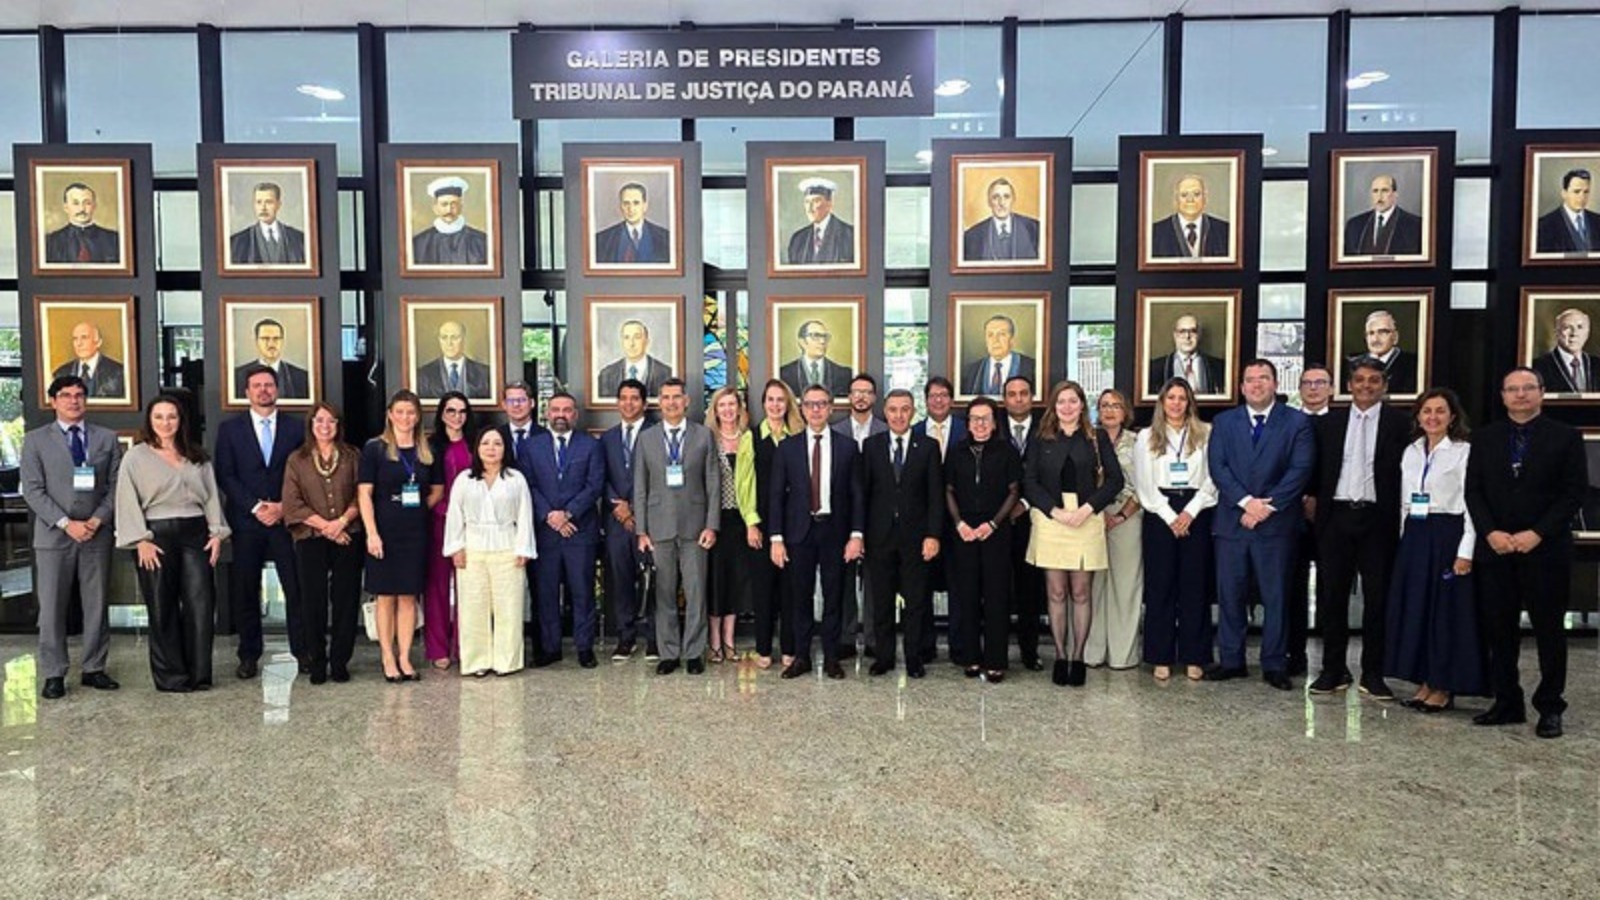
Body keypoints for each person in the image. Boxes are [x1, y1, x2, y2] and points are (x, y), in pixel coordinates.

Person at [1465, 368, 1587, 739]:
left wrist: (1537, 532)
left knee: (1549, 630)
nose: (1520, 395)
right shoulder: (1485, 438)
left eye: (1527, 388)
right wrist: (1491, 532)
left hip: (1544, 549)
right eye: (1512, 389)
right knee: (1499, 630)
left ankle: (1550, 706)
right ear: (1502, 396)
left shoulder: (1565, 437)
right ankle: (1507, 701)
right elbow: (1474, 491)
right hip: (1497, 549)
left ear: (1542, 393)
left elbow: (1573, 493)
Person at [1206, 360, 1315, 690]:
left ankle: (1274, 663)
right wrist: (1246, 503)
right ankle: (1231, 660)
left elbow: (1299, 471)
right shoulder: (1224, 422)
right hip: (1232, 523)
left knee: (1277, 596)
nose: (1256, 385)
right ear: (1241, 387)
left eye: (1263, 379)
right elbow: (1218, 467)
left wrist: (1264, 508)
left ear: (1275, 383)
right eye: (1250, 380)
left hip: (1276, 525)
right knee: (1230, 594)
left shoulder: (1297, 422)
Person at [1306, 359, 1411, 700]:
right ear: (1349, 385)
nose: (1366, 385)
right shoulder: (1330, 423)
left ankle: (1374, 673)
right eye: (1360, 380)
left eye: (1374, 380)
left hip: (1378, 519)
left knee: (1377, 599)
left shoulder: (1401, 423)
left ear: (1384, 384)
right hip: (1336, 517)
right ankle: (1333, 670)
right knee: (1331, 597)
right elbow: (1315, 466)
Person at [114, 395, 229, 692]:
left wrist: (216, 533)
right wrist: (140, 539)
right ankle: (171, 677)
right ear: (150, 421)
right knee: (162, 606)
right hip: (156, 535)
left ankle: (199, 674)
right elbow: (126, 500)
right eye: (159, 417)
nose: (166, 423)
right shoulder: (136, 457)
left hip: (196, 533)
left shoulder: (197, 455)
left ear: (181, 420)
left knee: (200, 605)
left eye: (172, 417)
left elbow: (212, 496)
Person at [21, 375, 123, 699]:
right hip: (54, 536)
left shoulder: (106, 438)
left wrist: (97, 519)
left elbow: (116, 486)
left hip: (96, 533)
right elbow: (33, 491)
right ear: (53, 401)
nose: (74, 401)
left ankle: (94, 667)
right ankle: (54, 673)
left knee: (96, 604)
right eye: (66, 395)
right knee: (51, 608)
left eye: (79, 395)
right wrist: (67, 523)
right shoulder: (36, 440)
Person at [1385, 388, 1487, 713]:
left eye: (1440, 411)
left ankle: (1443, 686)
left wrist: (1466, 550)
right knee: (1418, 607)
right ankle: (1423, 681)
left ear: (1452, 416)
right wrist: (1405, 540)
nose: (1432, 417)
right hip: (1416, 535)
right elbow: (1405, 500)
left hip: (1448, 533)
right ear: (1418, 416)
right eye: (1426, 411)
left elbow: (1472, 504)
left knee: (1445, 613)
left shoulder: (1463, 452)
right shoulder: (1412, 451)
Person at [1023, 380, 1125, 688]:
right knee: (1055, 593)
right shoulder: (1041, 437)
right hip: (1051, 517)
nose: (1067, 407)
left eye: (1073, 401)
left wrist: (1087, 509)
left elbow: (1115, 481)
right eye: (1061, 402)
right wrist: (1054, 511)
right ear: (1054, 407)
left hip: (1085, 517)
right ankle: (1060, 654)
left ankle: (1078, 657)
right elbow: (1029, 481)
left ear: (1082, 405)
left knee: (1081, 593)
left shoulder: (1096, 438)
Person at [214, 365, 305, 679]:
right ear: (247, 392)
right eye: (257, 386)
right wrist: (255, 507)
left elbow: (303, 475)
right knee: (245, 589)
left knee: (295, 588)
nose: (263, 390)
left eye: (269, 385)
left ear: (277, 389)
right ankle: (249, 655)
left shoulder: (297, 428)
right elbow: (225, 474)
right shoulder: (230, 430)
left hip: (287, 520)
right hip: (247, 522)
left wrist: (283, 506)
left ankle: (303, 652)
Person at [769, 384, 865, 680]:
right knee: (801, 597)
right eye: (810, 404)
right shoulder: (788, 447)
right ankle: (801, 657)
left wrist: (857, 534)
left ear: (831, 408)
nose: (816, 410)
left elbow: (857, 495)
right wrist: (776, 538)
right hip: (799, 533)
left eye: (822, 404)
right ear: (802, 407)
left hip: (835, 531)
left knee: (834, 596)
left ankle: (833, 656)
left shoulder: (848, 447)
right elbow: (776, 496)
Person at [1133, 377, 1218, 683]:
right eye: (1171, 397)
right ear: (1162, 402)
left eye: (1182, 398)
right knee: (1161, 586)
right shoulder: (1146, 437)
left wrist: (1190, 512)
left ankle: (1195, 656)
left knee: (1195, 586)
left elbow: (1213, 477)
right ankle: (1161, 656)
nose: (1176, 403)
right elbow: (1143, 483)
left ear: (1190, 402)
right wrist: (1171, 516)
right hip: (1160, 513)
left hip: (1197, 510)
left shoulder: (1206, 433)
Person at [633, 379, 720, 675]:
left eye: (676, 397)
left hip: (696, 527)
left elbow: (713, 483)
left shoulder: (704, 436)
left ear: (687, 401)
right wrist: (641, 530)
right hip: (659, 528)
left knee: (696, 592)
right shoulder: (646, 438)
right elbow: (640, 487)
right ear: (659, 402)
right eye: (666, 397)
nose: (671, 402)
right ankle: (668, 652)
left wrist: (712, 525)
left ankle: (695, 652)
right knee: (664, 593)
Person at [358, 391, 445, 684]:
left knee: (409, 596)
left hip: (415, 532)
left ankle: (405, 656)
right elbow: (364, 494)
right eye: (400, 412)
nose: (405, 418)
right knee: (386, 597)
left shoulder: (426, 449)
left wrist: (418, 509)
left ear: (418, 416)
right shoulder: (375, 449)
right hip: (383, 531)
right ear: (390, 414)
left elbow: (437, 490)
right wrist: (372, 533)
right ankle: (387, 656)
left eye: (411, 412)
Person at [860, 388, 943, 679]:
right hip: (879, 538)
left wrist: (933, 535)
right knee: (881, 602)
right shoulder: (871, 446)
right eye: (893, 409)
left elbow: (935, 496)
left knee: (916, 601)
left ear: (913, 412)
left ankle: (914, 656)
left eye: (904, 409)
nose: (898, 415)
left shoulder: (929, 446)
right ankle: (883, 657)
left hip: (916, 539)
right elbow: (863, 495)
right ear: (885, 412)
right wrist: (860, 535)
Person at [444, 428, 537, 677]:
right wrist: (455, 548)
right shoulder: (465, 479)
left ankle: (507, 661)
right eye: (485, 443)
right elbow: (454, 515)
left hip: (507, 549)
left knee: (509, 607)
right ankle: (476, 661)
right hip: (472, 550)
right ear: (477, 448)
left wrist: (523, 548)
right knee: (473, 608)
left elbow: (524, 515)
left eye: (497, 443)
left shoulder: (516, 478)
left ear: (505, 448)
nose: (491, 448)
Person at [281, 402, 362, 685]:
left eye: (331, 421)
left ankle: (340, 661)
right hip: (310, 538)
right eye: (319, 421)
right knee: (311, 601)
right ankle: (317, 660)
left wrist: (341, 522)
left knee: (345, 600)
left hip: (347, 536)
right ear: (311, 425)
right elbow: (292, 504)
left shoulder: (353, 456)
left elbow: (360, 496)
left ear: (338, 425)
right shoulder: (297, 459)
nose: (325, 426)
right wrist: (327, 527)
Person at [524, 392, 606, 668]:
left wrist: (568, 513)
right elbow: (528, 486)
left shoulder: (590, 445)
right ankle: (550, 648)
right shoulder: (531, 446)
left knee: (582, 591)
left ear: (575, 414)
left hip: (580, 531)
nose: (561, 414)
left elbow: (595, 485)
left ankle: (585, 648)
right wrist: (550, 516)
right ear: (547, 413)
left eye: (567, 410)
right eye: (555, 409)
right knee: (546, 592)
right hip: (545, 532)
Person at [944, 397, 1022, 682]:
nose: (980, 424)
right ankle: (970, 657)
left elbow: (1014, 491)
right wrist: (959, 524)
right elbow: (948, 489)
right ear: (967, 423)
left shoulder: (1007, 451)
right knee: (966, 595)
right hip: (963, 530)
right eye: (974, 418)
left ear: (994, 422)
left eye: (985, 418)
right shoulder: (956, 452)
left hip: (996, 530)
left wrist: (993, 523)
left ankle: (996, 660)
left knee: (996, 596)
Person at [745, 379, 801, 669]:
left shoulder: (799, 436)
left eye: (781, 400)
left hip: (795, 525)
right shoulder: (751, 437)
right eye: (771, 400)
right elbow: (745, 484)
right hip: (762, 523)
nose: (776, 405)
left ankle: (790, 649)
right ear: (763, 403)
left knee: (791, 590)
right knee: (763, 590)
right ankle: (764, 649)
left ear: (788, 403)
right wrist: (751, 523)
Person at [1086, 389, 1143, 670]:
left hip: (1128, 516)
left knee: (1125, 586)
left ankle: (1123, 655)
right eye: (1104, 405)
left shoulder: (1139, 441)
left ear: (1126, 411)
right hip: (1089, 519)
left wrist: (1120, 516)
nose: (1109, 410)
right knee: (1092, 587)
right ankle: (1091, 652)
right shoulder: (1088, 439)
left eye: (1116, 405)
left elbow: (1146, 484)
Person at [912, 376, 965, 663]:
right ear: (926, 399)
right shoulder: (915, 431)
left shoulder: (966, 429)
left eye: (944, 395)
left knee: (959, 586)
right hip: (924, 523)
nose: (939, 400)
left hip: (960, 521)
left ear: (952, 399)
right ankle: (925, 646)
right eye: (933, 396)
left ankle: (958, 646)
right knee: (921, 586)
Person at [832, 374, 886, 658]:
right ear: (849, 397)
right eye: (856, 392)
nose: (861, 397)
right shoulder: (835, 431)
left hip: (878, 515)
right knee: (844, 579)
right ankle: (846, 636)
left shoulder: (885, 430)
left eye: (867, 392)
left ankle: (874, 637)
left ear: (875, 398)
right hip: (843, 515)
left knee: (874, 580)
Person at [600, 379, 654, 661]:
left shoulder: (656, 433)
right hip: (616, 522)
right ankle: (625, 637)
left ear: (644, 403)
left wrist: (634, 507)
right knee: (621, 579)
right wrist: (618, 507)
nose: (629, 403)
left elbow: (658, 476)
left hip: (649, 520)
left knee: (654, 579)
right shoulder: (607, 438)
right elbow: (601, 476)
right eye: (624, 398)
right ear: (618, 402)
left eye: (635, 398)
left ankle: (655, 638)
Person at [1288, 364, 1335, 676]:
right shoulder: (1288, 421)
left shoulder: (1343, 422)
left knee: (1332, 589)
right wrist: (1301, 497)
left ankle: (1334, 662)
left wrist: (1319, 497)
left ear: (1331, 388)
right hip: (1292, 513)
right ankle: (1295, 655)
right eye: (1308, 383)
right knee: (1293, 588)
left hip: (1332, 516)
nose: (1314, 388)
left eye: (1321, 383)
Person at [705, 387, 758, 664]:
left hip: (741, 520)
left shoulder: (750, 439)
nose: (727, 410)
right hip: (714, 520)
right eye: (721, 405)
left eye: (731, 404)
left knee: (736, 581)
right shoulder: (707, 439)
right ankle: (713, 642)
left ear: (739, 408)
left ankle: (729, 641)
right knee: (715, 581)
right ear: (715, 410)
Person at [422, 393, 475, 670]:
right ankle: (438, 648)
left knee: (470, 587)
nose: (457, 416)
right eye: (451, 411)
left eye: (462, 411)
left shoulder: (476, 444)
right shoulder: (430, 446)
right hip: (439, 520)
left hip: (473, 524)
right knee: (437, 588)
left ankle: (466, 646)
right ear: (442, 414)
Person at [1002, 375, 1044, 671]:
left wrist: (1025, 503)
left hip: (1034, 520)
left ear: (1032, 397)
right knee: (997, 589)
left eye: (1023, 393)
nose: (1018, 399)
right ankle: (997, 650)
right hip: (997, 522)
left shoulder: (1047, 428)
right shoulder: (992, 425)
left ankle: (1030, 652)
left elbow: (1049, 474)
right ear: (1004, 399)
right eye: (1012, 394)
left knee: (1031, 588)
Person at [412, 176, 489, 265]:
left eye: (454, 204)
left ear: (461, 206)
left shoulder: (481, 240)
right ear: (435, 208)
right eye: (444, 204)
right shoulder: (419, 243)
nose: (449, 210)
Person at [1149, 174, 1230, 259]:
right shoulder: (1155, 233)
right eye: (1184, 195)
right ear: (1176, 200)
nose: (1190, 199)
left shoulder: (1225, 231)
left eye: (1196, 194)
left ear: (1205, 198)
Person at [962, 177, 1042, 262]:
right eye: (996, 197)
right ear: (989, 202)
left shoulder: (1034, 228)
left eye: (1006, 197)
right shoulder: (972, 236)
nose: (1001, 203)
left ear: (1013, 200)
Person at [1342, 174, 1423, 257]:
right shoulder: (1354, 225)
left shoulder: (1415, 225)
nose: (1379, 196)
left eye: (1385, 190)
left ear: (1395, 194)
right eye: (1375, 191)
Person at [229, 181, 308, 265]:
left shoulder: (298, 238)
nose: (263, 208)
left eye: (269, 202)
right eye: (259, 202)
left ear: (278, 205)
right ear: (254, 205)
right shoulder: (237, 242)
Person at [593, 182, 672, 264]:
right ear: (621, 207)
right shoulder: (601, 239)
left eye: (636, 203)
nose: (631, 209)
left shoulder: (665, 237)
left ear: (645, 206)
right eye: (626, 203)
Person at [960, 315, 1039, 396]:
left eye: (1002, 334)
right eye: (990, 335)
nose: (995, 340)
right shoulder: (971, 370)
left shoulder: (1032, 367)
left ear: (1012, 340)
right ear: (985, 340)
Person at [232, 318, 310, 400]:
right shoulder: (238, 376)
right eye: (265, 339)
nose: (271, 344)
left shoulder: (302, 377)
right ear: (256, 341)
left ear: (282, 341)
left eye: (276, 339)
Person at [1147, 315, 1226, 396]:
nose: (1187, 336)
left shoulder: (1219, 366)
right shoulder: (1155, 368)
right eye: (1182, 331)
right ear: (1175, 335)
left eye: (1193, 331)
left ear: (1199, 335)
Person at [1343, 309, 1417, 396]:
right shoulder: (1350, 363)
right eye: (1371, 333)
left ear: (1395, 337)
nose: (1375, 339)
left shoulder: (1413, 363)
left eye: (1382, 332)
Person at [44, 182, 120, 264]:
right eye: (76, 203)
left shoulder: (114, 239)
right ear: (66, 207)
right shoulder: (51, 241)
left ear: (94, 206)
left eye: (87, 203)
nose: (82, 209)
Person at [778, 319, 854, 400]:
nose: (822, 341)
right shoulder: (784, 374)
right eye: (816, 336)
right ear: (802, 342)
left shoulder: (843, 374)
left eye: (825, 337)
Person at [595, 319, 673, 397]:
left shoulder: (666, 373)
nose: (631, 343)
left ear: (647, 341)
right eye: (626, 338)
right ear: (622, 342)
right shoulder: (606, 374)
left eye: (637, 337)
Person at [415, 320, 493, 399]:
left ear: (464, 339)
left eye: (454, 337)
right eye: (444, 337)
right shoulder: (424, 374)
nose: (449, 343)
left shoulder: (484, 373)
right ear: (439, 340)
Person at [785, 178, 855, 265]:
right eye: (807, 202)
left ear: (829, 204)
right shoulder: (798, 240)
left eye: (815, 201)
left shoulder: (850, 235)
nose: (809, 208)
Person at [50, 321, 127, 399]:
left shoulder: (118, 372)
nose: (79, 344)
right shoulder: (60, 374)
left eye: (84, 337)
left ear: (98, 342)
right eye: (75, 339)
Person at [1530, 308, 1598, 395]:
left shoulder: (1596, 364)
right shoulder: (1538, 366)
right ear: (1557, 332)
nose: (1574, 334)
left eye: (1580, 327)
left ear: (1587, 332)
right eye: (1567, 328)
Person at [1534, 168, 1600, 254]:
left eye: (1586, 192)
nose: (1582, 197)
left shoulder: (1597, 220)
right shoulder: (1544, 225)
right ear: (1564, 193)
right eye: (1577, 191)